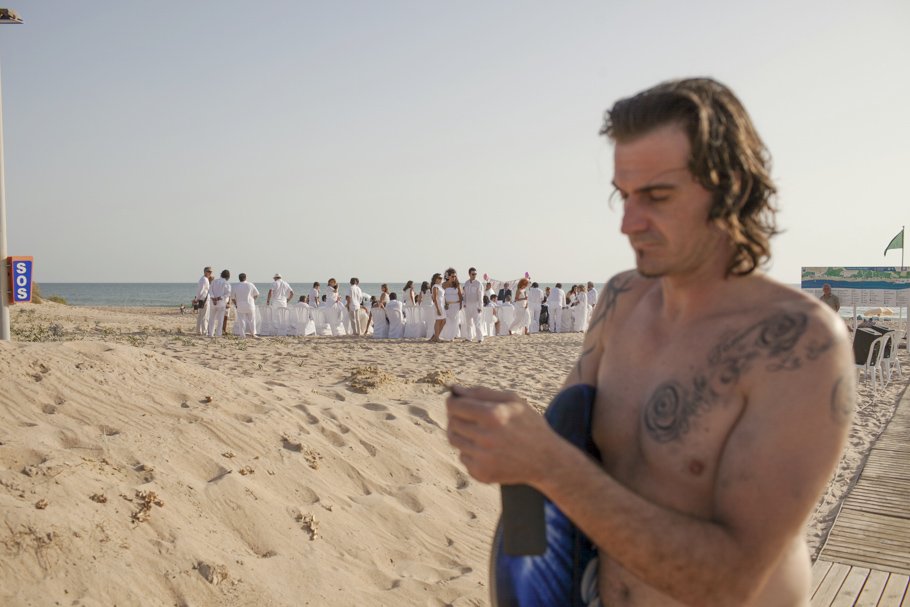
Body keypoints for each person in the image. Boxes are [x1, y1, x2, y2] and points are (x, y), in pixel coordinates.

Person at [446, 78, 854, 606]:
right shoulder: (621, 301)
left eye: (657, 196)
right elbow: (563, 451)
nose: (628, 223)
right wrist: (504, 445)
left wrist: (546, 464)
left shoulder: (798, 344)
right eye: (624, 195)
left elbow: (733, 580)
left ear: (728, 187)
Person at [231, 273, 259, 338]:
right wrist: (253, 300)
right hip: (250, 304)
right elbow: (257, 294)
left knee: (241, 320)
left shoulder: (236, 286)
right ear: (245, 278)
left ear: (239, 278)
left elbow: (232, 298)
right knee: (252, 320)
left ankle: (242, 334)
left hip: (240, 305)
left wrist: (236, 304)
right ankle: (253, 334)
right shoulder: (250, 284)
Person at [439, 268, 463, 342]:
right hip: (447, 306)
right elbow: (442, 295)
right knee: (447, 320)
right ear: (448, 276)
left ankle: (452, 336)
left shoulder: (457, 284)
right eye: (452, 276)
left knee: (454, 321)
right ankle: (446, 335)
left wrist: (461, 305)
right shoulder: (444, 285)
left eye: (455, 276)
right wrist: (444, 303)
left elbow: (460, 295)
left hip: (456, 305)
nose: (454, 278)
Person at [462, 267, 485, 343]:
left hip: (476, 306)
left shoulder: (479, 283)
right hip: (468, 306)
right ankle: (469, 338)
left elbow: (480, 296)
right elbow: (464, 295)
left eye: (475, 274)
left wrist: (480, 306)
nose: (474, 275)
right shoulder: (466, 283)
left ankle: (480, 338)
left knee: (477, 323)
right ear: (469, 274)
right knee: (468, 323)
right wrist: (464, 303)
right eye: (473, 274)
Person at [206, 269, 231, 337]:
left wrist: (213, 298)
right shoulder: (226, 283)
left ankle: (210, 333)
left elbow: (210, 290)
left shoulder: (214, 281)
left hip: (213, 302)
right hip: (221, 303)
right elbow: (228, 293)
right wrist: (219, 298)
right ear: (228, 276)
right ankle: (218, 334)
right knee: (220, 320)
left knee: (212, 318)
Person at [193, 266, 213, 335]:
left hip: (203, 299)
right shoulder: (204, 279)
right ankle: (204, 331)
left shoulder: (204, 279)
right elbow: (201, 291)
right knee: (205, 316)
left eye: (211, 272)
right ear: (205, 272)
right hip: (204, 300)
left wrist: (197, 299)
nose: (210, 273)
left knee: (201, 316)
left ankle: (199, 331)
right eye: (208, 271)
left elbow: (200, 290)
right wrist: (196, 299)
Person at [429, 273, 445, 342]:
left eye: (441, 278)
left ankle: (435, 336)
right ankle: (436, 337)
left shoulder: (440, 286)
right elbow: (434, 298)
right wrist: (438, 309)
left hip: (441, 305)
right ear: (435, 279)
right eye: (439, 278)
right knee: (438, 321)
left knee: (443, 320)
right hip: (437, 305)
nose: (441, 279)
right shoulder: (435, 286)